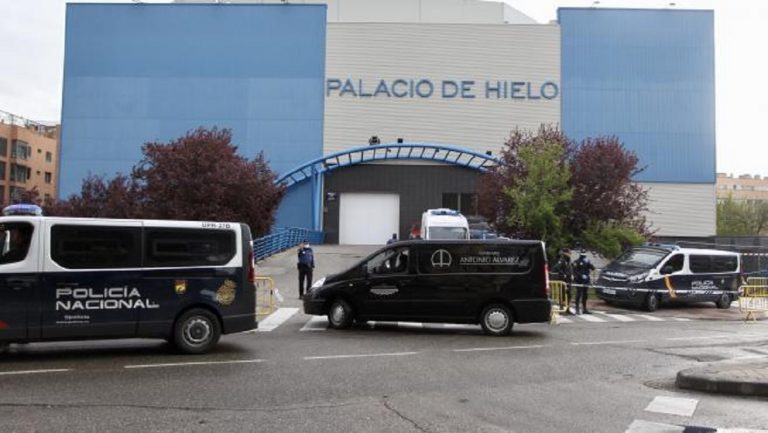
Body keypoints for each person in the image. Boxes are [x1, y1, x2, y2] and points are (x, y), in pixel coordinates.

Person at [572, 250, 595, 314]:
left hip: (586, 281)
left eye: (585, 255)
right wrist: (581, 275)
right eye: (583, 255)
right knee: (579, 294)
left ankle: (584, 309)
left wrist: (589, 263)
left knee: (585, 295)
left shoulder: (587, 261)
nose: (584, 256)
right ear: (580, 255)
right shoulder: (576, 262)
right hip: (579, 280)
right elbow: (575, 271)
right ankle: (577, 309)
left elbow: (593, 268)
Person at [551, 248, 574, 314]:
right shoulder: (562, 260)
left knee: (569, 294)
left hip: (568, 280)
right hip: (562, 280)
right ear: (565, 253)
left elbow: (570, 268)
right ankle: (561, 308)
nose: (570, 254)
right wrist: (563, 274)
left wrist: (572, 274)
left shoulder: (569, 260)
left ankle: (567, 308)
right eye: (569, 253)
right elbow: (556, 267)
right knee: (563, 294)